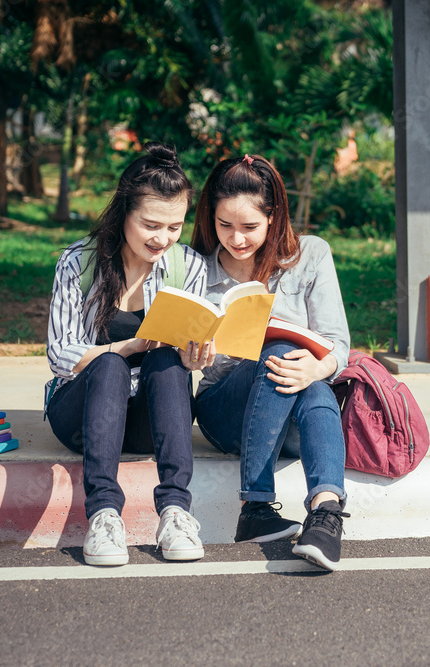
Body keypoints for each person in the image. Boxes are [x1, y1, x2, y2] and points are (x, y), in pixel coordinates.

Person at [45, 143, 216, 566]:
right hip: (82, 415)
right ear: (124, 213)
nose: (163, 238)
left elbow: (183, 350)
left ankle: (176, 512)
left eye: (175, 227)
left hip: (146, 419)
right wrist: (128, 345)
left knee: (169, 361)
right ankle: (103, 515)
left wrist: (194, 357)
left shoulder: (188, 266)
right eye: (151, 225)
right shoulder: (78, 262)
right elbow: (59, 353)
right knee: (108, 364)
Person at [191, 153, 351, 571]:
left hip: (295, 420)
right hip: (225, 411)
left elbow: (338, 345)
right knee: (279, 356)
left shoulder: (310, 255)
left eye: (250, 227)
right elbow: (181, 353)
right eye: (224, 225)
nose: (236, 238)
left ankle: (319, 513)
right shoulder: (195, 266)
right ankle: (274, 507)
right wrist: (193, 351)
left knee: (311, 379)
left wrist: (318, 367)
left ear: (273, 216)